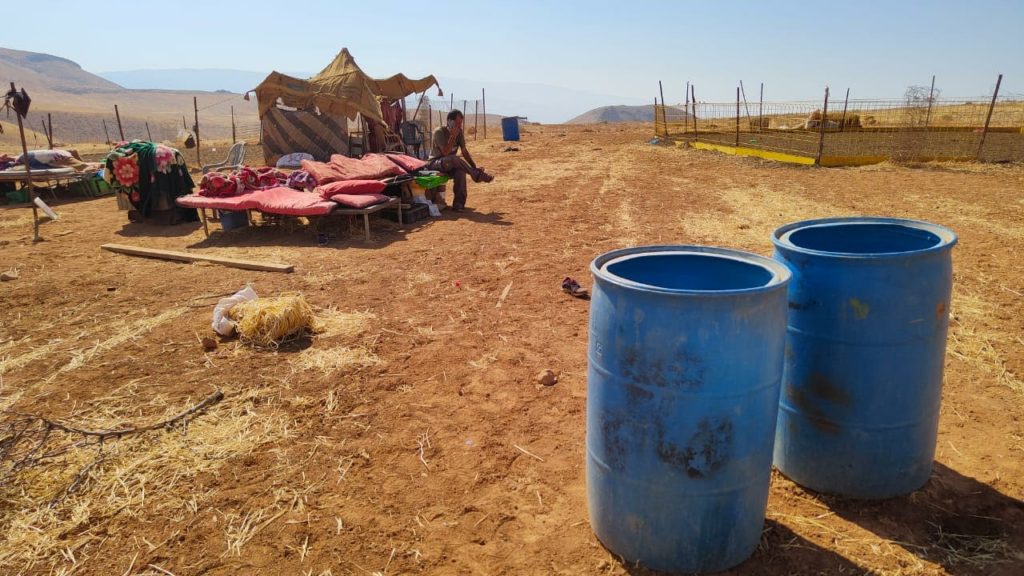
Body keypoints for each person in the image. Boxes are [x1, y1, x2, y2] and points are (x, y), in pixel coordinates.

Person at [428, 110, 493, 212]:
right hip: (436, 163)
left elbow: (464, 152)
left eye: (460, 123)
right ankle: (476, 175)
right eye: (457, 123)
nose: (459, 125)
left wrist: (474, 166)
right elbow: (445, 152)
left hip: (451, 164)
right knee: (454, 158)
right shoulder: (439, 132)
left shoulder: (459, 133)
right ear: (449, 121)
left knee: (460, 171)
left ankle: (459, 205)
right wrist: (452, 136)